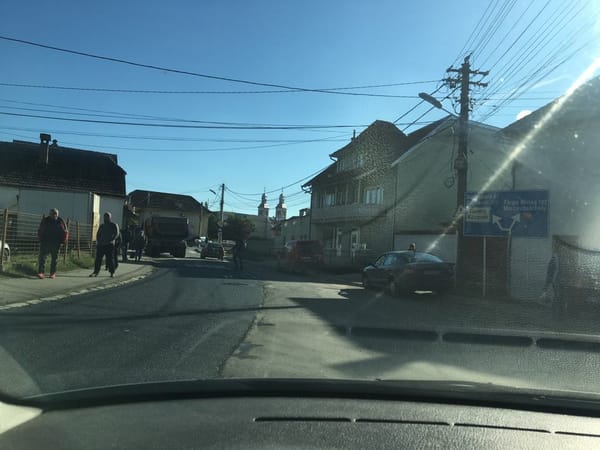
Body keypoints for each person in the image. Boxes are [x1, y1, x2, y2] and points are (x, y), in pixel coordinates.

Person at [37, 208, 68, 279]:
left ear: (57, 214)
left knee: (55, 259)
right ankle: (41, 272)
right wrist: (40, 238)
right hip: (45, 241)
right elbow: (40, 229)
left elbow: (65, 231)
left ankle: (53, 273)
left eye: (55, 213)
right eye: (52, 213)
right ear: (50, 214)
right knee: (42, 258)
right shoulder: (45, 220)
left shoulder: (60, 221)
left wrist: (63, 241)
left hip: (56, 242)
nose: (53, 215)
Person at [90, 212, 120, 278]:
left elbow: (117, 233)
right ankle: (96, 272)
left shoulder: (113, 225)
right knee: (98, 259)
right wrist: (98, 241)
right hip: (101, 245)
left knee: (110, 259)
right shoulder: (102, 226)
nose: (105, 218)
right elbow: (98, 234)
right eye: (105, 216)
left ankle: (112, 272)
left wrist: (112, 239)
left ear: (110, 217)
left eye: (107, 216)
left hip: (109, 245)